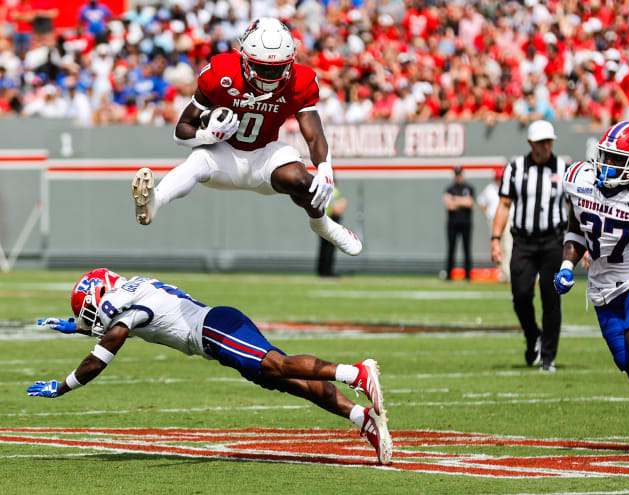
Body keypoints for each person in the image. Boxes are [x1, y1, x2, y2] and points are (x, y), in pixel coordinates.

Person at [28, 268, 392, 464]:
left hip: (214, 329)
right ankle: (363, 418)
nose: (89, 317)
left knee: (280, 366)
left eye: (88, 309)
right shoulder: (129, 292)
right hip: (216, 330)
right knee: (285, 380)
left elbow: (103, 353)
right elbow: (114, 322)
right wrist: (72, 325)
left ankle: (355, 372)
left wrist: (64, 386)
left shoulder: (127, 310)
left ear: (101, 296)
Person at [131, 17, 362, 257]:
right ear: (245, 57)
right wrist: (207, 136)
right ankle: (155, 201)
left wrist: (325, 167)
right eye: (263, 68)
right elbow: (181, 131)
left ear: (290, 60)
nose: (270, 75)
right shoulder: (222, 73)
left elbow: (313, 132)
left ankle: (321, 224)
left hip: (265, 155)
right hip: (222, 156)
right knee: (197, 161)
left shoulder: (299, 80)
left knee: (305, 182)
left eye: (278, 68)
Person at [554, 121, 629, 409]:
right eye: (606, 156)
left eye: (617, 159)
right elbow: (576, 229)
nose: (608, 164)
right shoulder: (581, 179)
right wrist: (567, 264)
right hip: (602, 292)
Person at [490, 120, 568, 372]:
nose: (546, 146)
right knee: (521, 294)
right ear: (531, 143)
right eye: (542, 142)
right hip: (523, 241)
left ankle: (548, 357)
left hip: (553, 241)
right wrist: (495, 239)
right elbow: (504, 204)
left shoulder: (563, 168)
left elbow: (574, 208)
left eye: (549, 141)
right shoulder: (515, 168)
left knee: (551, 297)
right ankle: (532, 333)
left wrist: (582, 243)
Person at [478, 167, 512, 282]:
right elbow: (481, 201)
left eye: (500, 178)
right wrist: (487, 213)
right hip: (493, 221)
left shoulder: (508, 188)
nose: (498, 180)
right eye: (497, 178)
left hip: (506, 221)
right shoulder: (490, 189)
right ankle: (503, 274)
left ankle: (509, 273)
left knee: (508, 246)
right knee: (497, 247)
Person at [443, 166, 474, 280]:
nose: (458, 177)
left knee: (467, 249)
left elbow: (470, 203)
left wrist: (455, 199)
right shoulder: (450, 188)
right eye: (457, 175)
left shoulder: (468, 188)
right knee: (451, 248)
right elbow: (449, 205)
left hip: (466, 223)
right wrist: (462, 201)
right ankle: (449, 274)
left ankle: (467, 275)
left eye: (460, 174)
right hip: (452, 223)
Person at [317, 185, 347, 277]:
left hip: (322, 219)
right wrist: (343, 203)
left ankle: (321, 270)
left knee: (323, 247)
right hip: (331, 219)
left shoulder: (322, 189)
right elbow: (336, 209)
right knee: (329, 247)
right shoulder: (333, 191)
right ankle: (327, 271)